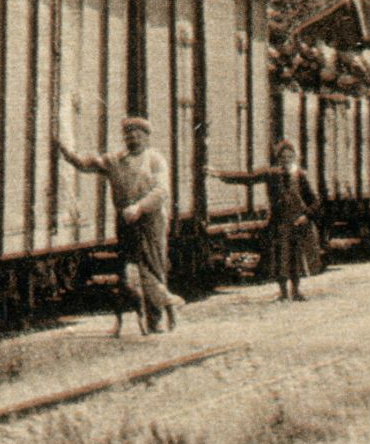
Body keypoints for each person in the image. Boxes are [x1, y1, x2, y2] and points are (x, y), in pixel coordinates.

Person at [58, 114, 184, 336]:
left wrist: (140, 207)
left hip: (150, 220)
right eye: (128, 134)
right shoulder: (115, 160)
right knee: (127, 270)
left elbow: (162, 191)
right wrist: (65, 151)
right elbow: (87, 163)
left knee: (152, 268)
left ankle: (159, 318)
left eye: (137, 134)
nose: (133, 138)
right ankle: (153, 312)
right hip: (125, 220)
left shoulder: (155, 159)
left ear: (146, 137)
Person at [212, 139, 322, 301]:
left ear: (294, 157)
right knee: (280, 258)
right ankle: (284, 292)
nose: (286, 160)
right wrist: (221, 175)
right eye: (283, 157)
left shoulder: (299, 175)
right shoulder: (272, 174)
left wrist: (305, 216)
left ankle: (296, 291)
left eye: (289, 157)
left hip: (297, 223)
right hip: (279, 222)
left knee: (296, 258)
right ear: (279, 158)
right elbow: (248, 178)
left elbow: (315, 200)